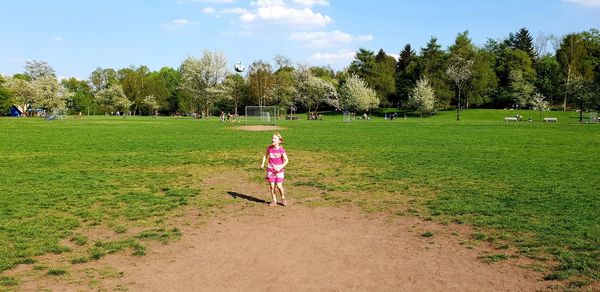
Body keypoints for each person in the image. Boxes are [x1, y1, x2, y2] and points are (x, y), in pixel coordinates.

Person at [260, 133, 289, 207]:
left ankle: (283, 198)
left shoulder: (281, 150)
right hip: (271, 170)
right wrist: (263, 163)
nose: (273, 139)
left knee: (279, 186)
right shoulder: (269, 148)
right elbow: (265, 155)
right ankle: (274, 200)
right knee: (272, 186)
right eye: (272, 138)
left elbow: (286, 160)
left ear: (279, 141)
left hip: (279, 170)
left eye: (275, 138)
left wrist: (280, 167)